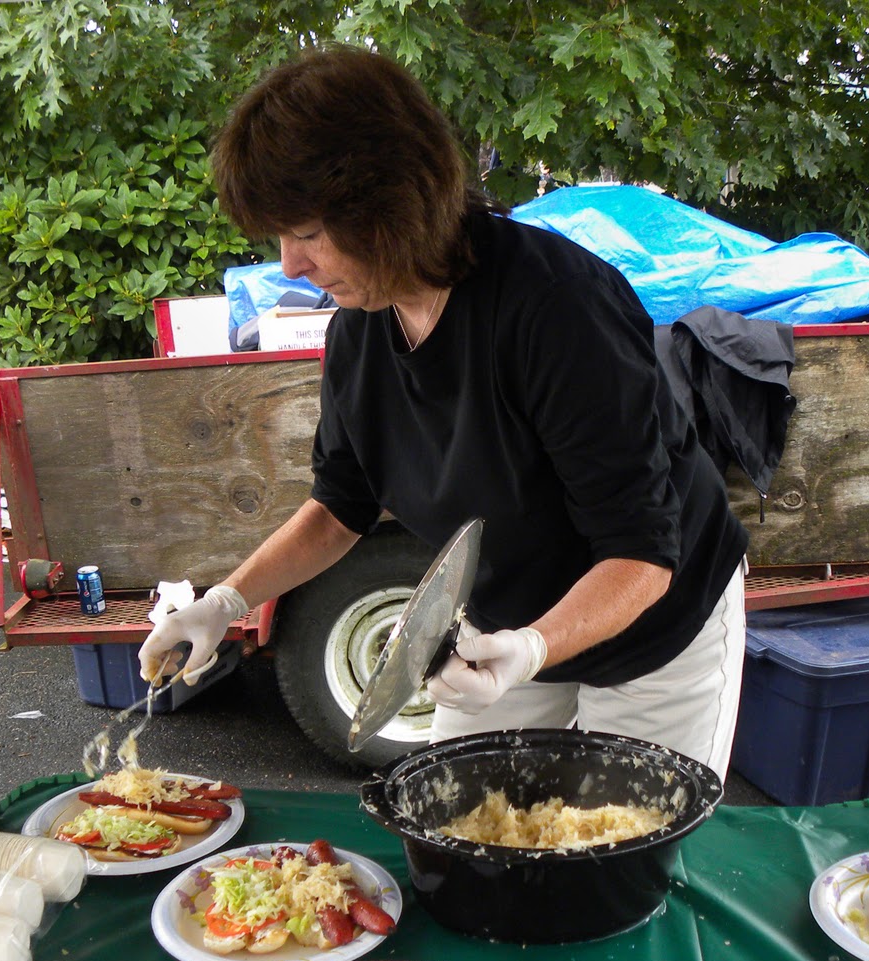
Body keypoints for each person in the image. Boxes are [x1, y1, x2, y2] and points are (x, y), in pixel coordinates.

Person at [139, 46, 749, 780]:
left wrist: (530, 650)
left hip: (653, 626)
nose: (290, 265)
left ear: (387, 203)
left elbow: (642, 554)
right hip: (501, 617)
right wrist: (226, 600)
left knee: (616, 852)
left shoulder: (556, 309)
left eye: (306, 234)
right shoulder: (359, 332)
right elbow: (341, 507)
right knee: (467, 831)